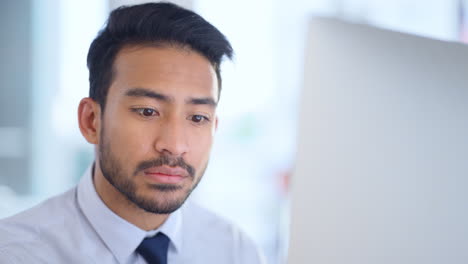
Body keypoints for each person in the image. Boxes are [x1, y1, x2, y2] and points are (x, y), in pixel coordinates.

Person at [0, 2, 265, 264]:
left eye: (197, 117)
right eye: (147, 111)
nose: (174, 145)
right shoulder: (15, 254)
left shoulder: (236, 251)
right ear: (91, 121)